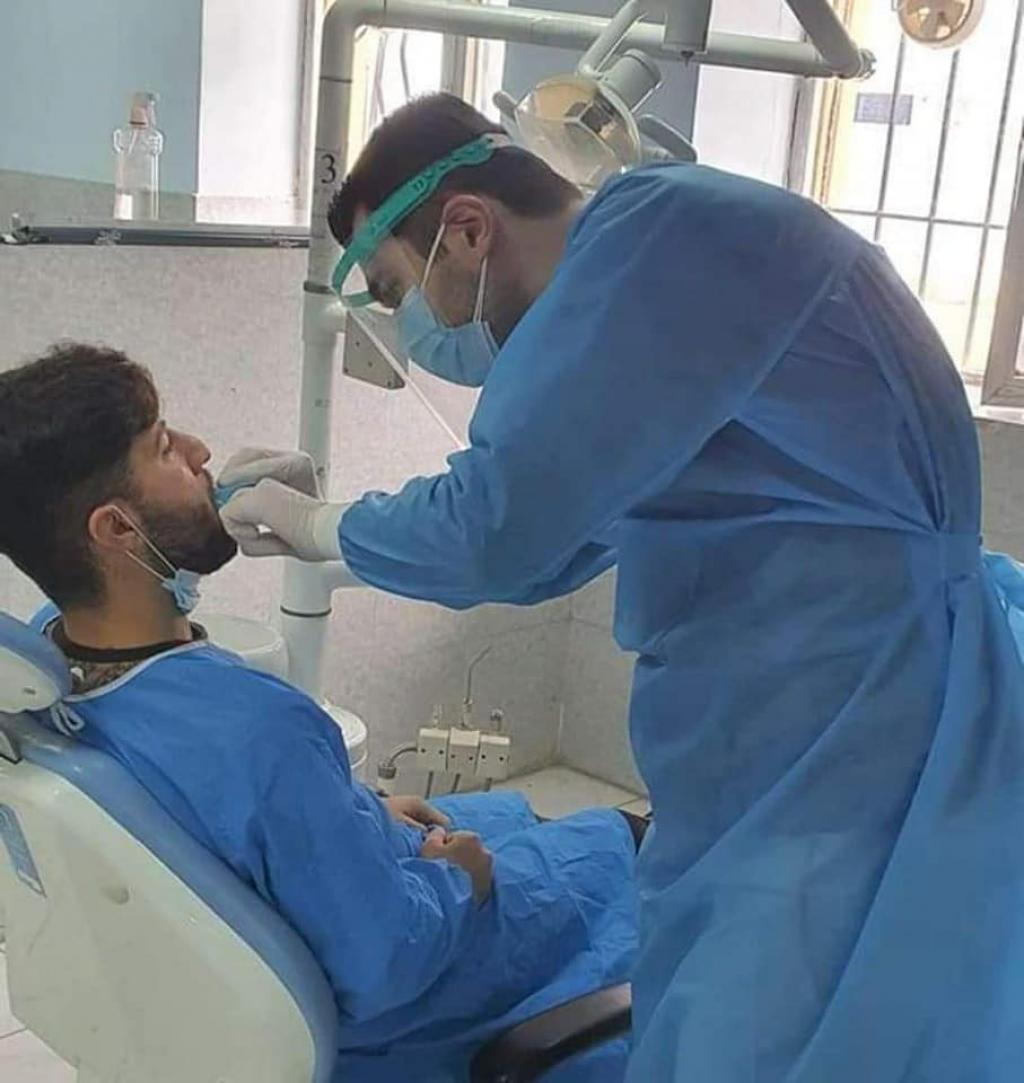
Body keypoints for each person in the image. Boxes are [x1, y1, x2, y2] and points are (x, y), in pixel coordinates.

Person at [218, 92, 1024, 1082]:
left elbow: (500, 531)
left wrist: (315, 526)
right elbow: (558, 538)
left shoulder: (657, 247)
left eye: (397, 289)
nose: (418, 325)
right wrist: (332, 521)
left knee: (794, 1013)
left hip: (849, 707)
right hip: (810, 691)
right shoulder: (653, 257)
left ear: (467, 228)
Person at [0, 343, 639, 1083]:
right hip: (409, 993)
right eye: (166, 447)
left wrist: (347, 810)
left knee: (513, 815)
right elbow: (389, 961)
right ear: (116, 530)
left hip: (296, 924)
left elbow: (223, 825)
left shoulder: (48, 671)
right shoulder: (259, 732)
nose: (203, 453)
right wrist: (457, 880)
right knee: (613, 844)